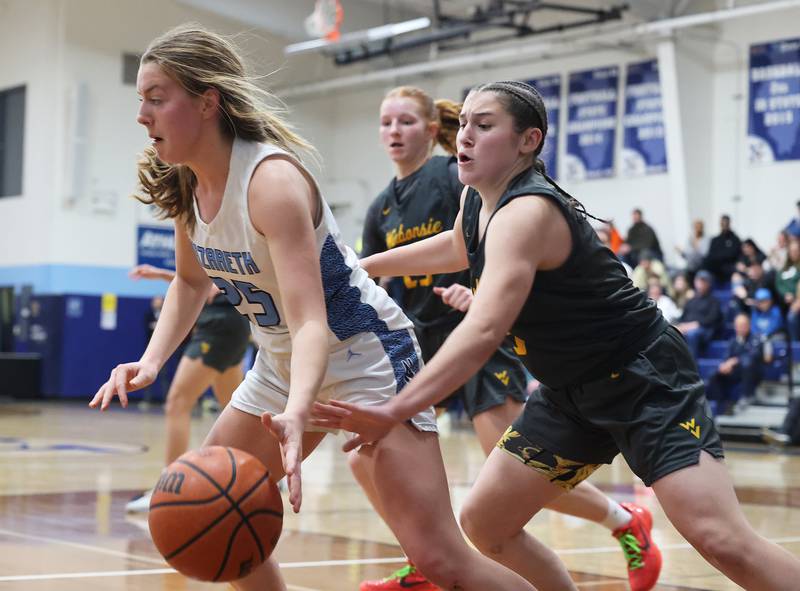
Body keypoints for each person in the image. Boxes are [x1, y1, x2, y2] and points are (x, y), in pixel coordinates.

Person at [88, 25, 535, 591]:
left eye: (156, 99)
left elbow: (311, 322)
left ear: (207, 102)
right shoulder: (189, 182)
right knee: (219, 516)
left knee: (441, 558)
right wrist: (150, 362)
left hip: (365, 355)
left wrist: (299, 411)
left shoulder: (270, 182)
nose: (142, 116)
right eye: (141, 101)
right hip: (284, 362)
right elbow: (189, 280)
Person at [312, 79, 800, 590]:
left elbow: (482, 331)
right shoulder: (478, 200)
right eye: (465, 126)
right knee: (486, 525)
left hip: (642, 381)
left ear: (529, 141)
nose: (466, 138)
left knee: (719, 538)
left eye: (485, 126)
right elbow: (456, 245)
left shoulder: (527, 212)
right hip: (570, 393)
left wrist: (393, 410)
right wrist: (358, 267)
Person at [359, 85, 660, 591]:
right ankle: (428, 554)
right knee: (373, 454)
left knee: (514, 470)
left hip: (483, 338)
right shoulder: (381, 208)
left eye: (406, 121)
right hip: (422, 342)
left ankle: (624, 519)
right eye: (386, 121)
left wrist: (478, 292)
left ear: (433, 129)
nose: (394, 131)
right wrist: (352, 272)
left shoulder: (454, 176)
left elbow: (493, 246)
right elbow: (395, 272)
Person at [125, 263, 251, 512]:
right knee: (238, 409)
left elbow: (208, 285)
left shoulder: (219, 236)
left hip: (219, 326)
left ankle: (170, 489)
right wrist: (162, 274)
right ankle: (265, 471)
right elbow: (195, 280)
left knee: (177, 403)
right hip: (234, 326)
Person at [706, 313, 765, 415]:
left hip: (753, 372)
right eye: (738, 326)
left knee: (747, 363)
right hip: (736, 372)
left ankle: (747, 396)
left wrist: (735, 361)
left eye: (743, 325)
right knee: (715, 374)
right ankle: (720, 405)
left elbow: (754, 355)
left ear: (749, 325)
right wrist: (724, 365)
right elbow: (726, 357)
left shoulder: (756, 338)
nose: (740, 328)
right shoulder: (733, 341)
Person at [675, 270, 722, 358]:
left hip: (705, 330)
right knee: (672, 332)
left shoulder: (714, 301)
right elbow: (683, 317)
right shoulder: (691, 300)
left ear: (709, 283)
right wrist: (680, 326)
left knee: (692, 334)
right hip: (688, 328)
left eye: (703, 281)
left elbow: (713, 319)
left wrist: (696, 324)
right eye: (698, 281)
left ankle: (691, 366)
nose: (700, 284)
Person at [704, 214, 741, 284]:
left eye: (726, 223)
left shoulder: (735, 239)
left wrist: (720, 256)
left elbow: (733, 254)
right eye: (722, 223)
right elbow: (711, 255)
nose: (724, 225)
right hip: (716, 268)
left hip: (730, 267)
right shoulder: (715, 240)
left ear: (729, 223)